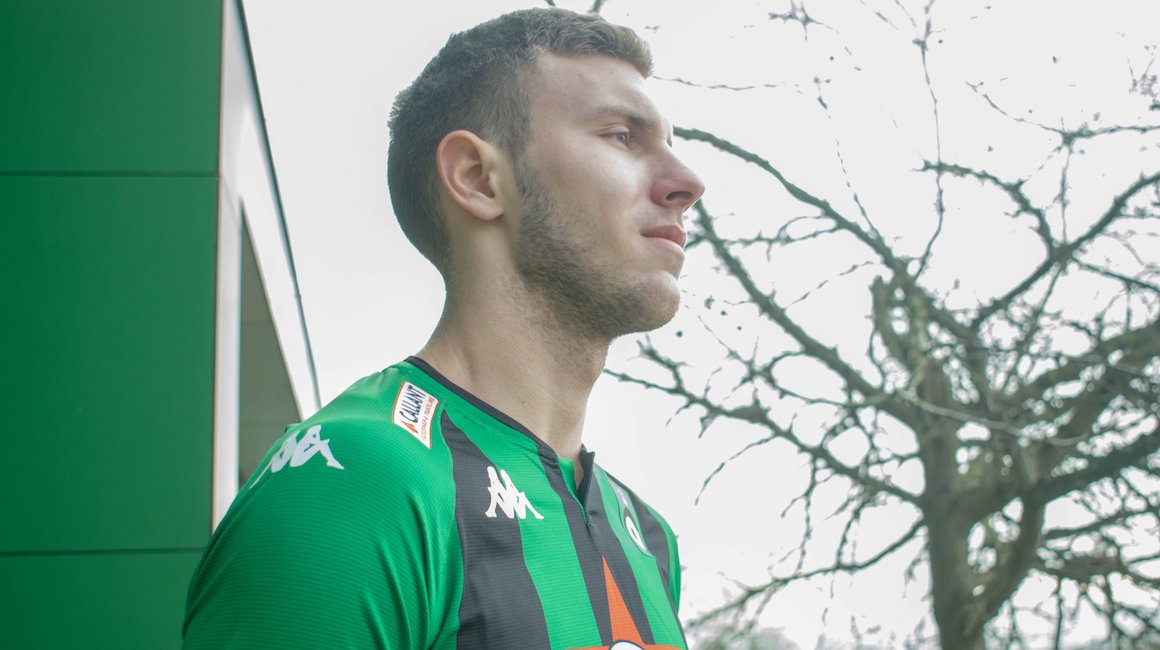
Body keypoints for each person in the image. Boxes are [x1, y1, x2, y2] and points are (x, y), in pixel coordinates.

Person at [182, 7, 704, 649]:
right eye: (622, 136)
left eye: (672, 145)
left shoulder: (648, 540)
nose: (688, 183)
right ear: (477, 178)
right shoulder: (354, 479)